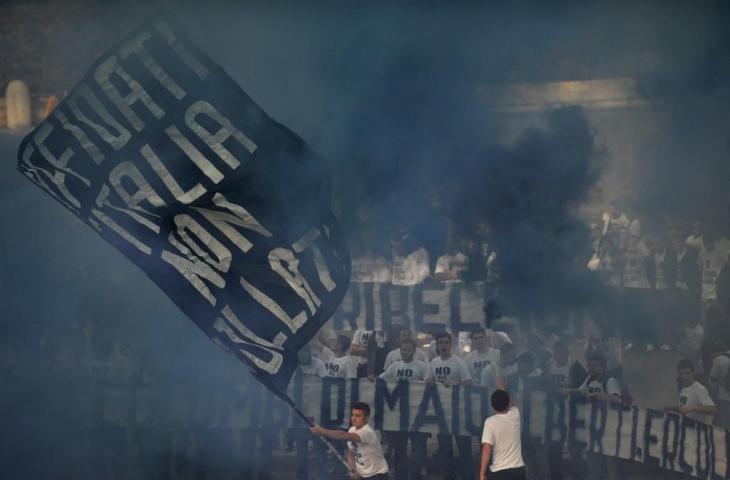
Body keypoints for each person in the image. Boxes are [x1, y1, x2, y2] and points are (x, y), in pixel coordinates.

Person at [563, 353, 623, 480]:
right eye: (589, 365)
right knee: (593, 467)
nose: (591, 368)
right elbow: (580, 392)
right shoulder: (589, 380)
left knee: (612, 467)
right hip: (592, 431)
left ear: (603, 367)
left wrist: (600, 396)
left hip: (609, 431)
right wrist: (567, 392)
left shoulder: (610, 381)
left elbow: (617, 399)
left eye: (594, 365)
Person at [379, 339, 430, 479]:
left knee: (418, 449)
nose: (405, 352)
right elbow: (381, 379)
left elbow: (429, 382)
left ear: (414, 351)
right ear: (400, 350)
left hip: (418, 414)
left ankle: (415, 475)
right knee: (399, 449)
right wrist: (372, 380)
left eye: (408, 350)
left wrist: (428, 382)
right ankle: (401, 476)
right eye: (403, 350)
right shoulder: (395, 366)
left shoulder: (422, 366)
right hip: (399, 416)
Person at [430, 332, 473, 479]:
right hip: (441, 413)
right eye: (440, 342)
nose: (443, 345)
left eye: (446, 342)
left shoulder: (459, 362)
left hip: (458, 412)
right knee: (444, 449)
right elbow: (429, 382)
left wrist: (455, 385)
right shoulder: (433, 362)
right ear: (437, 345)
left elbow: (468, 383)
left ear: (450, 345)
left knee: (464, 448)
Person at [310, 402, 389, 480]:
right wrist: (353, 470)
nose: (353, 418)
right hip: (362, 475)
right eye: (352, 415)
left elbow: (343, 435)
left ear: (367, 418)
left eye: (358, 416)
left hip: (378, 475)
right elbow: (351, 454)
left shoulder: (367, 432)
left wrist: (322, 431)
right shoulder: (352, 429)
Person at [479, 389, 526, 480]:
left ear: (492, 405)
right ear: (509, 401)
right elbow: (513, 403)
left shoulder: (490, 422)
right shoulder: (515, 414)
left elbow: (487, 449)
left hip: (500, 472)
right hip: (519, 469)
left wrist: (482, 473)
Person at [664, 359, 715, 425]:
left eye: (687, 373)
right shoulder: (683, 389)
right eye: (681, 373)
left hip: (701, 430)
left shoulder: (699, 389)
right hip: (690, 429)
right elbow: (684, 408)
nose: (684, 376)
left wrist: (693, 408)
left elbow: (712, 409)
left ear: (693, 372)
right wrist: (672, 409)